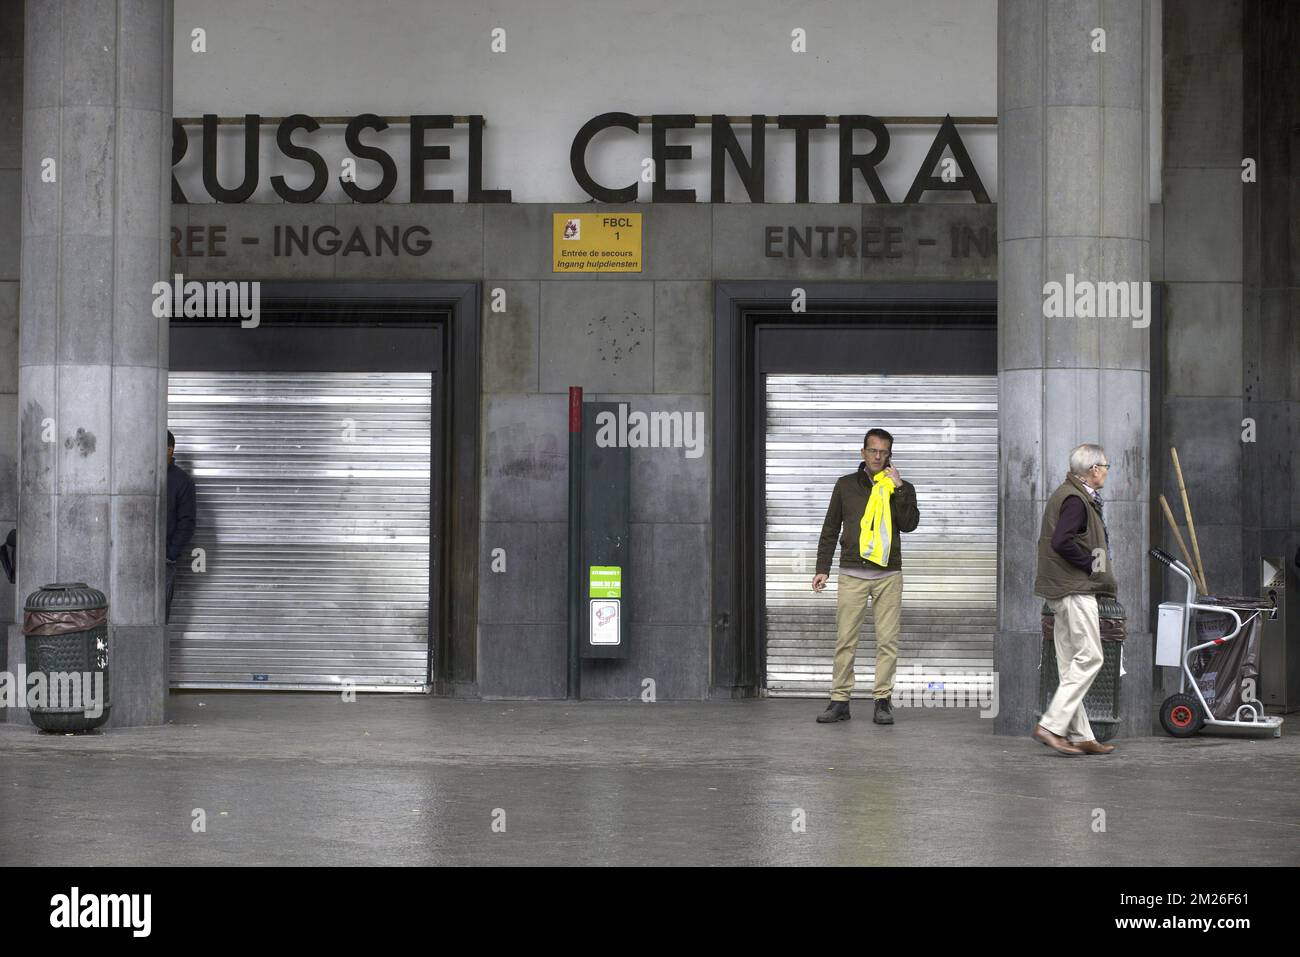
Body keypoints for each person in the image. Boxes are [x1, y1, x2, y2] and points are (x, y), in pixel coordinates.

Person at [812, 428, 920, 725]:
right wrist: (822, 568)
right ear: (863, 453)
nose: (877, 456)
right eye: (873, 450)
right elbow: (830, 528)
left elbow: (909, 524)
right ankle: (839, 700)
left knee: (887, 641)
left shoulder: (901, 487)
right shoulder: (846, 485)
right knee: (845, 639)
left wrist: (898, 488)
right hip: (852, 572)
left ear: (889, 455)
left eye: (883, 452)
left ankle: (882, 701)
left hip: (888, 574)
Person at [1031, 443, 1118, 755]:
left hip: (1062, 590)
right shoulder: (1076, 501)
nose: (1107, 471)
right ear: (1093, 470)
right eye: (1106, 466)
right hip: (1074, 591)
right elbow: (1061, 542)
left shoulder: (1073, 496)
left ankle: (1081, 735)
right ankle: (1052, 726)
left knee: (1071, 667)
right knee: (1091, 658)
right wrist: (1093, 567)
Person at [166, 431, 196, 624]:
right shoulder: (140, 476)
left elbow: (187, 522)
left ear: (169, 450)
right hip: (135, 561)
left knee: (159, 614)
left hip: (164, 563)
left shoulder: (181, 481)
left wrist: (170, 554)